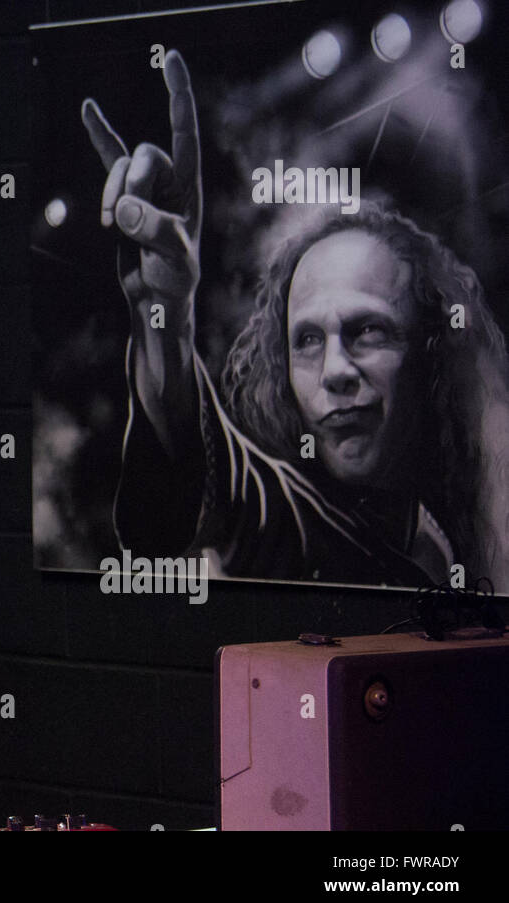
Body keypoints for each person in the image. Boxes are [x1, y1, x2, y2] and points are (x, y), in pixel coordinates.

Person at [80, 49, 509, 589]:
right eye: (306, 340)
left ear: (430, 355)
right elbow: (221, 493)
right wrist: (161, 313)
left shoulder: (450, 529)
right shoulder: (293, 523)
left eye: (368, 331)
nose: (335, 370)